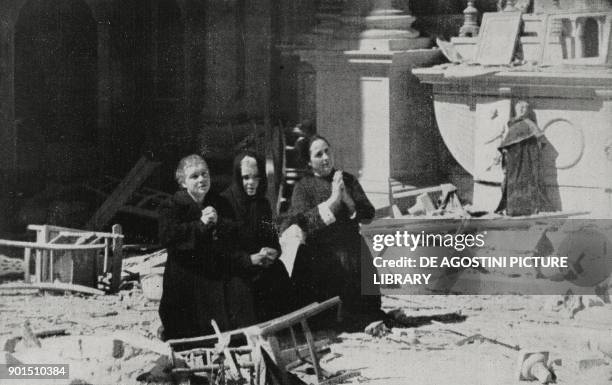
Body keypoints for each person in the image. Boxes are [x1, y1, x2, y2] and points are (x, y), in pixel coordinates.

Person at [158, 155, 272, 340]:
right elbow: (168, 237)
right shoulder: (171, 206)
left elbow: (233, 234)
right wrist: (201, 224)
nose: (202, 179)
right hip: (187, 273)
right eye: (194, 176)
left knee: (244, 287)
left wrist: (219, 223)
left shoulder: (221, 202)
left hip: (215, 267)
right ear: (183, 183)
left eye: (204, 174)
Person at [283, 135, 382, 328]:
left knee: (367, 305)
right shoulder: (303, 187)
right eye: (318, 155)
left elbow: (368, 214)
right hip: (323, 251)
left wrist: (347, 200)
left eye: (327, 151)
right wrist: (334, 199)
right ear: (309, 162)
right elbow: (302, 222)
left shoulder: (347, 179)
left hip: (352, 247)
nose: (326, 157)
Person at [221, 151, 295, 322]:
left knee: (279, 274)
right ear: (237, 178)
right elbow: (223, 251)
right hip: (236, 268)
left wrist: (273, 251)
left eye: (256, 177)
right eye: (246, 177)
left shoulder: (262, 204)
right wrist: (249, 259)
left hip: (261, 264)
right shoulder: (224, 203)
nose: (251, 183)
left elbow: (272, 239)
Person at [495, 100, 550, 216]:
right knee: (512, 183)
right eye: (519, 107)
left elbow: (541, 140)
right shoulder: (512, 123)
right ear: (515, 109)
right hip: (513, 160)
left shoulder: (530, 124)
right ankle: (513, 209)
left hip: (526, 159)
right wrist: (504, 152)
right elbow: (507, 142)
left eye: (524, 108)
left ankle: (527, 209)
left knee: (526, 182)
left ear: (528, 111)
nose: (521, 110)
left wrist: (533, 149)